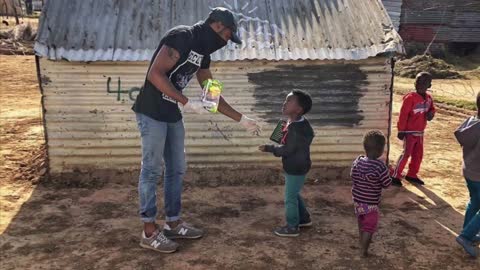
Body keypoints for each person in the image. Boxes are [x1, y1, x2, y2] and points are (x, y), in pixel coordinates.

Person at [132, 7, 261, 253]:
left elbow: (212, 96)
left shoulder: (203, 54)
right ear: (217, 26)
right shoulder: (182, 37)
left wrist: (242, 119)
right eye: (227, 36)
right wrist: (186, 102)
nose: (226, 43)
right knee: (151, 170)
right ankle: (148, 231)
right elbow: (155, 74)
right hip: (151, 111)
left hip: (171, 114)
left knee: (177, 169)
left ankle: (173, 222)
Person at [258, 90, 314, 237]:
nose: (284, 103)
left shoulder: (297, 129)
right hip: (296, 165)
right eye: (285, 100)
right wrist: (282, 129)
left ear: (298, 109)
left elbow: (287, 150)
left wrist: (269, 148)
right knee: (293, 193)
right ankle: (304, 219)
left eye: (289, 101)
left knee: (290, 197)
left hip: (296, 167)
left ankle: (292, 226)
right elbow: (280, 139)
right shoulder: (293, 122)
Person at [351, 130, 392, 257]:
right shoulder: (380, 167)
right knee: (369, 227)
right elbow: (387, 184)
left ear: (365, 147)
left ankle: (361, 241)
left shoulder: (358, 161)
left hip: (358, 201)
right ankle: (363, 251)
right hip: (371, 204)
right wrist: (388, 173)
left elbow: (352, 175)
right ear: (381, 150)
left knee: (361, 222)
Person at [391, 72, 436, 187]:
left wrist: (431, 114)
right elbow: (403, 115)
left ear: (429, 85)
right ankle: (395, 175)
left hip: (420, 132)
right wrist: (401, 130)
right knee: (406, 154)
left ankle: (412, 174)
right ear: (414, 83)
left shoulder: (429, 99)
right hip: (409, 132)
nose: (420, 84)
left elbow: (432, 109)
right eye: (418, 82)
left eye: (424, 82)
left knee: (418, 155)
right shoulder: (410, 98)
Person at [454, 91, 480, 257]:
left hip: (469, 171)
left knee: (475, 202)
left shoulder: (471, 121)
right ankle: (465, 236)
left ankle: (467, 232)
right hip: (479, 174)